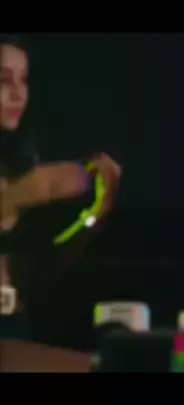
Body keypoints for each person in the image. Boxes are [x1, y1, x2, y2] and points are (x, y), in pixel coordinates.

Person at [0, 36, 122, 341]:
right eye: (3, 80)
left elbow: (39, 269)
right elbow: (40, 187)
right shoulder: (26, 183)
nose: (18, 93)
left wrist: (93, 217)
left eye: (24, 80)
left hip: (13, 329)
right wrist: (85, 173)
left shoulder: (15, 166)